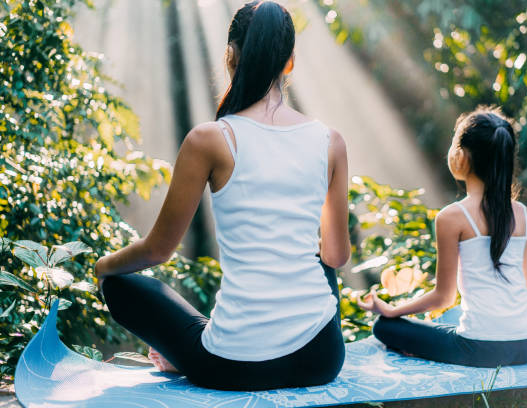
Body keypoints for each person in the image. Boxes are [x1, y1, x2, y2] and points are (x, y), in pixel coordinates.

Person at [95, 0, 350, 390]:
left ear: (230, 56)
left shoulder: (210, 139)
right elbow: (335, 256)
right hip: (321, 358)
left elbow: (157, 251)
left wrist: (103, 265)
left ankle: (184, 354)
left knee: (117, 282)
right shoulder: (330, 141)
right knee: (319, 256)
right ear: (290, 63)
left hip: (234, 367)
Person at [358, 106, 527, 368]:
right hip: (526, 346)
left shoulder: (451, 217)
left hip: (479, 349)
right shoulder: (522, 214)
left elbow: (444, 298)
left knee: (384, 327)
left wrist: (390, 310)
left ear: (462, 158)